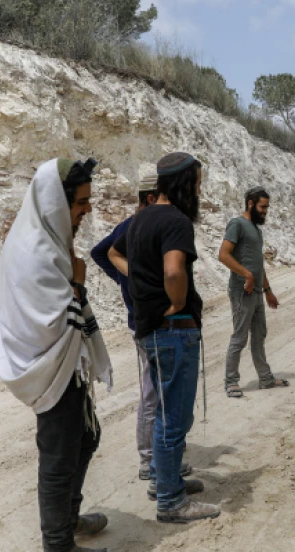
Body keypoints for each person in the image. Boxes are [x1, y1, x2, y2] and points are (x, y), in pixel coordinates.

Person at [0, 157, 115, 552]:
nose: (88, 210)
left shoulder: (47, 239)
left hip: (65, 365)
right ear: (57, 204)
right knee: (59, 456)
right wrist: (77, 281)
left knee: (86, 437)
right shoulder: (34, 252)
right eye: (81, 202)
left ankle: (69, 518)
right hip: (49, 368)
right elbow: (53, 323)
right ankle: (59, 551)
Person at [107, 152, 220, 523]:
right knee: (175, 418)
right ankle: (171, 501)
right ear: (186, 184)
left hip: (150, 330)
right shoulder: (175, 221)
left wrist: (142, 284)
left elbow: (113, 253)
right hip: (174, 331)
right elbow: (174, 271)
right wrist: (175, 301)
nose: (199, 193)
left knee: (162, 413)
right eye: (198, 185)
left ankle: (161, 479)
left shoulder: (140, 218)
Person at [90, 177, 192, 483]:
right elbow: (102, 253)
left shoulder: (135, 227)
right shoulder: (135, 226)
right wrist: (130, 278)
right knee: (153, 393)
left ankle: (156, 457)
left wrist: (128, 277)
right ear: (150, 200)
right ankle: (150, 461)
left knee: (157, 391)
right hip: (149, 319)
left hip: (146, 317)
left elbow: (102, 253)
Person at [218, 187, 288, 398]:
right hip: (242, 291)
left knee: (259, 336)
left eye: (267, 207)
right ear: (250, 203)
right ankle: (231, 382)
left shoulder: (256, 229)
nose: (266, 211)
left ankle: (265, 379)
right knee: (239, 338)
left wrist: (268, 291)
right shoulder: (237, 224)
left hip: (257, 291)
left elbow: (258, 264)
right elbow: (223, 255)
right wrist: (246, 275)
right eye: (262, 206)